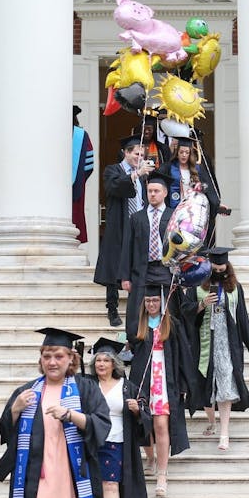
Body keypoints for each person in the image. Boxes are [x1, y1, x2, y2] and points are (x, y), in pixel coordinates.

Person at [0, 328, 109, 498]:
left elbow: (102, 425)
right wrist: (15, 409)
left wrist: (70, 415)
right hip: (37, 477)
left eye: (58, 356)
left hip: (72, 477)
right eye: (47, 356)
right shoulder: (28, 392)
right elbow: (6, 432)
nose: (52, 362)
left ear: (71, 359)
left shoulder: (85, 389)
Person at [181, 247, 249, 450]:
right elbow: (185, 312)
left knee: (225, 386)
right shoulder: (197, 286)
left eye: (221, 266)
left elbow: (242, 316)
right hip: (204, 342)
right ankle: (212, 421)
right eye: (214, 266)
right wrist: (202, 304)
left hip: (227, 343)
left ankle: (224, 433)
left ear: (227, 266)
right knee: (204, 386)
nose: (218, 269)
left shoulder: (235, 288)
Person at [128, 285, 191, 498]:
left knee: (161, 424)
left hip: (165, 381)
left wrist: (183, 385)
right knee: (143, 423)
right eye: (148, 301)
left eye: (155, 300)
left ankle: (162, 475)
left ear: (162, 302)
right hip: (143, 381)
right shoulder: (139, 326)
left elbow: (183, 357)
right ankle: (150, 458)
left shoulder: (172, 325)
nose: (151, 304)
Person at [89, 338, 148, 498]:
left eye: (106, 360)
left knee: (111, 485)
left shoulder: (127, 387)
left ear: (114, 364)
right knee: (91, 487)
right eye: (98, 360)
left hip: (115, 441)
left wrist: (136, 410)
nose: (101, 364)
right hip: (90, 441)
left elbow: (145, 411)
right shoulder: (87, 384)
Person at [93, 135, 150, 328]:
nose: (139, 158)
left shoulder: (143, 175)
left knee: (136, 265)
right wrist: (135, 175)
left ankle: (138, 309)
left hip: (138, 225)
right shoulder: (113, 170)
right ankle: (112, 309)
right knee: (114, 266)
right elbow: (113, 187)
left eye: (142, 155)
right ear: (125, 152)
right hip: (119, 225)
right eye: (136, 154)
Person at [119, 173, 174, 339]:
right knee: (138, 309)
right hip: (142, 270)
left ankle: (167, 341)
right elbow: (127, 247)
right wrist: (125, 277)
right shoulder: (137, 217)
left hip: (166, 270)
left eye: (156, 191)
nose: (152, 194)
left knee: (169, 307)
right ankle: (138, 343)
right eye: (150, 191)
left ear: (165, 193)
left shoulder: (174, 216)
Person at [72, 106, 95, 244]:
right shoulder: (82, 134)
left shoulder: (81, 135)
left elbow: (89, 164)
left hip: (76, 185)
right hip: (76, 184)